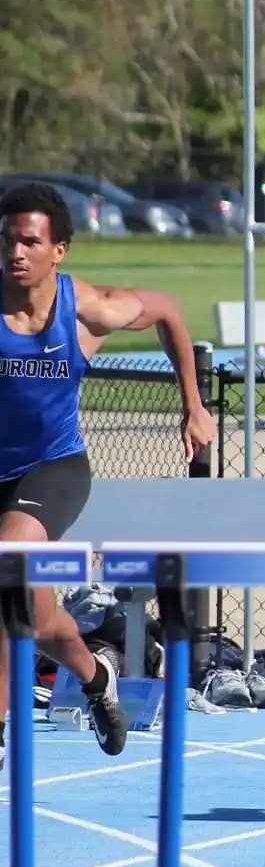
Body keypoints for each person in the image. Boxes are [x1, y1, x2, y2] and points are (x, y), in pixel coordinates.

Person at [0, 182, 216, 762]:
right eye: (6, 240)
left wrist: (193, 404)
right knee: (37, 614)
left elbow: (167, 310)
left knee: (4, 564)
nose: (15, 253)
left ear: (58, 251)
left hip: (52, 469)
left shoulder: (87, 308)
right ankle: (95, 677)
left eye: (28, 242)